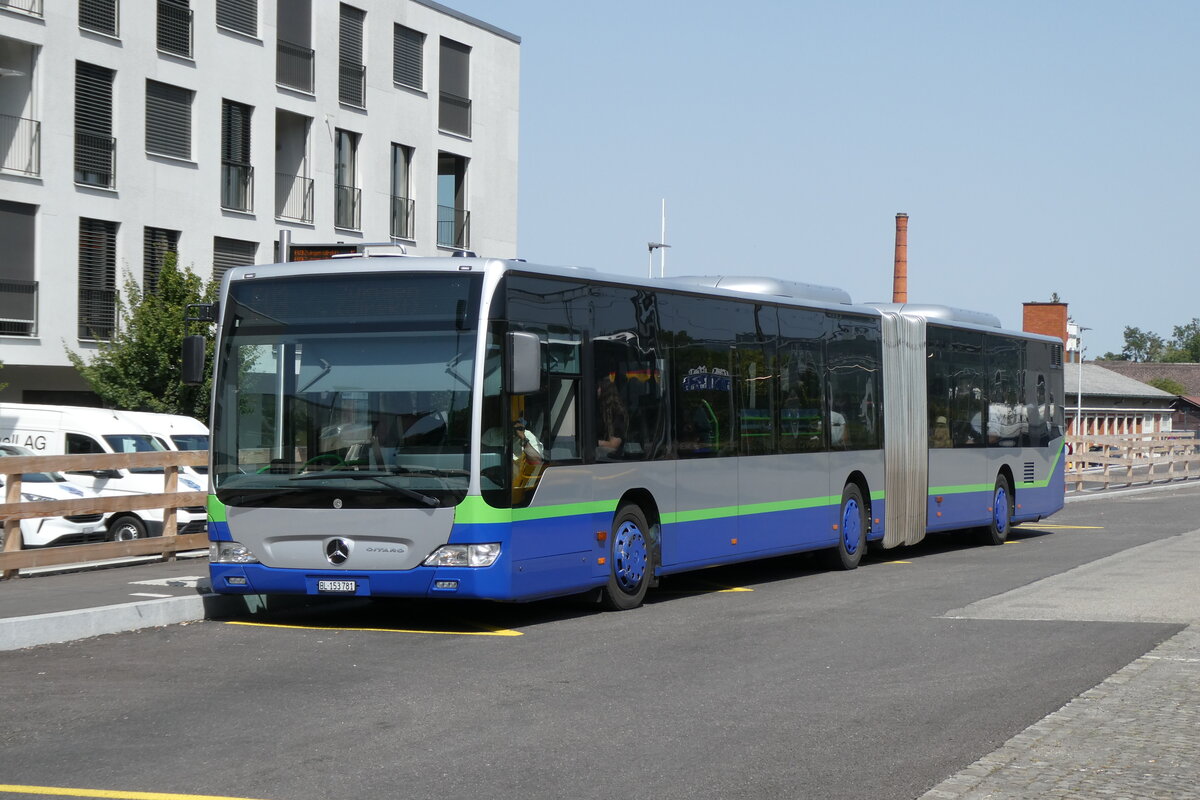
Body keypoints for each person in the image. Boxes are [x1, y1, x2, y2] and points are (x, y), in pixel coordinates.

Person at [596, 376, 627, 460]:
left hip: (615, 459)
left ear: (605, 391)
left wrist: (594, 442)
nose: (597, 390)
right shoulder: (602, 410)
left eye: (598, 387)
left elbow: (614, 445)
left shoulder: (618, 413)